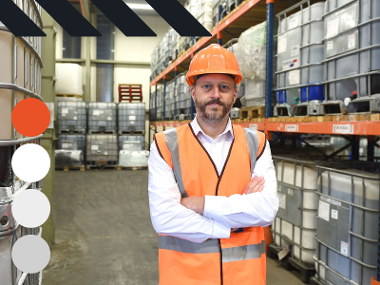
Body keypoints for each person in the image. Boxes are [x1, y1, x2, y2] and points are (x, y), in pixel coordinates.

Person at [148, 44, 278, 285]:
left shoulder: (256, 143)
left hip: (245, 278)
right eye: (207, 86)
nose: (215, 94)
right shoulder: (165, 145)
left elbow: (266, 209)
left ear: (235, 93)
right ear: (193, 92)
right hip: (186, 277)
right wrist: (232, 225)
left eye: (224, 87)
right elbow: (164, 217)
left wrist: (200, 204)